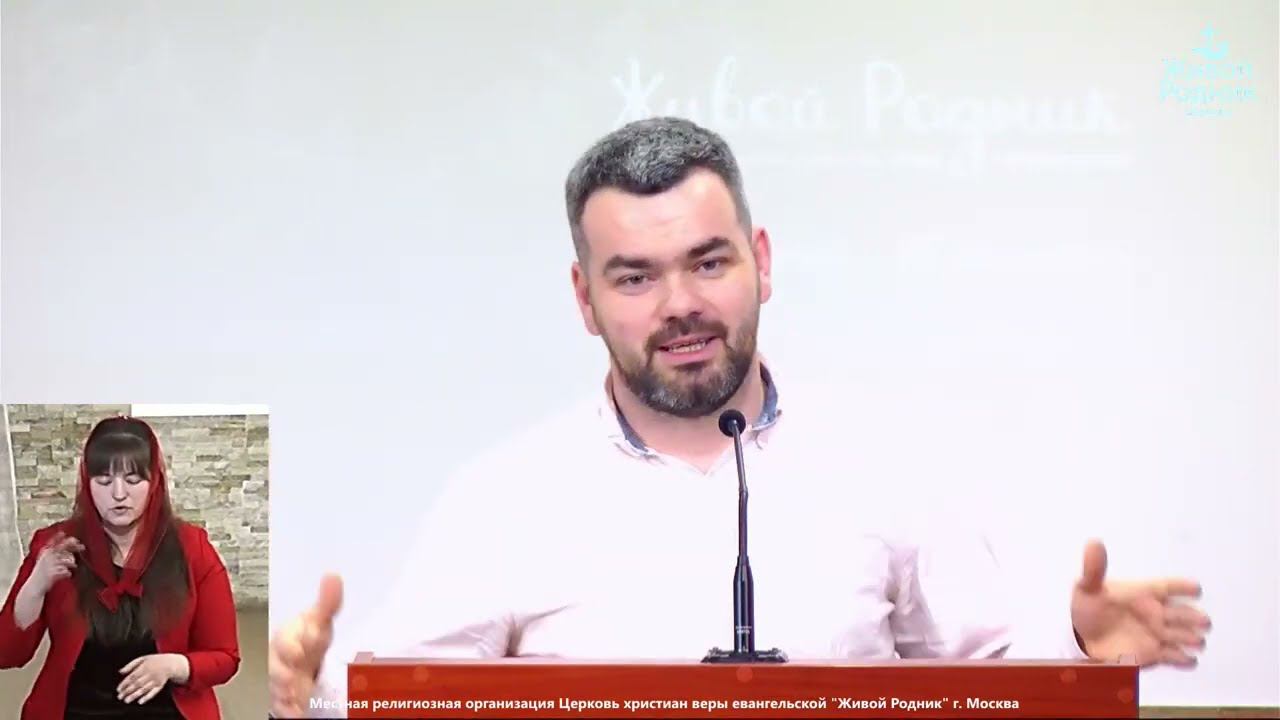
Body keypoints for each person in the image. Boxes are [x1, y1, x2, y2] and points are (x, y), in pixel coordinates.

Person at [268, 117, 1212, 717]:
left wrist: (1081, 651)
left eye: (709, 262)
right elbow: (396, 695)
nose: (680, 304)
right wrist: (304, 695)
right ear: (585, 299)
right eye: (634, 278)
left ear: (761, 259)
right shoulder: (504, 496)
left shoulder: (885, 464)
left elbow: (985, 682)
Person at [0, 416, 241, 719]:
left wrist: (174, 666)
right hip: (77, 709)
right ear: (87, 483)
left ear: (154, 482)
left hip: (166, 709)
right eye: (103, 481)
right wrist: (36, 585)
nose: (118, 494)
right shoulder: (55, 545)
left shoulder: (193, 548)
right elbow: (7, 654)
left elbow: (225, 657)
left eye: (133, 480)